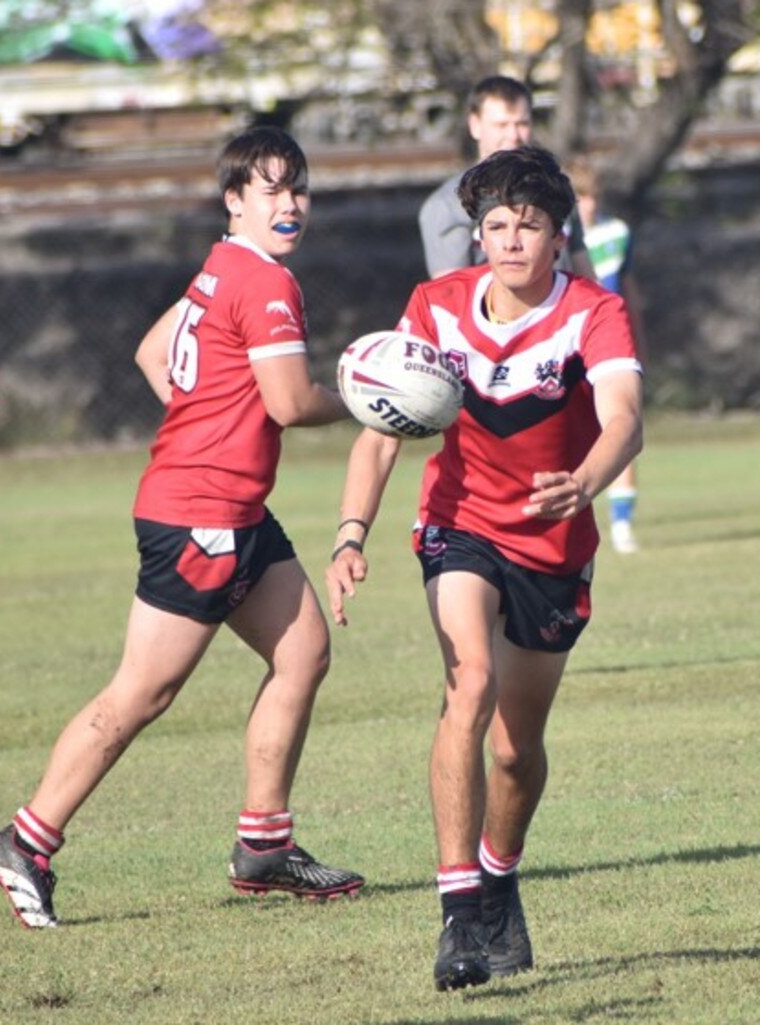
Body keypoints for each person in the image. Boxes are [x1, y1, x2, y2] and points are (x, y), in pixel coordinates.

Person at [0, 126, 364, 930]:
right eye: (270, 189)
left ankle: (264, 846)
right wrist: (366, 400)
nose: (290, 203)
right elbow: (291, 402)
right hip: (201, 517)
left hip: (234, 512)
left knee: (302, 651)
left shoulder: (224, 262)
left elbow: (152, 352)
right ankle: (25, 840)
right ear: (235, 201)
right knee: (142, 691)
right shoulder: (264, 282)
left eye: (298, 187)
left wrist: (208, 426)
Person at [326, 146, 643, 991]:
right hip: (458, 525)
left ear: (557, 231)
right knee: (467, 685)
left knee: (515, 749)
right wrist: (351, 532)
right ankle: (459, 909)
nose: (509, 241)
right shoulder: (435, 305)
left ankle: (501, 873)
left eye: (527, 226)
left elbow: (625, 419)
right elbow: (381, 427)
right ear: (477, 233)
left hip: (553, 543)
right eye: (494, 226)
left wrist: (586, 481)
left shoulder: (593, 313)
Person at [418, 74, 596, 280]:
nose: (513, 136)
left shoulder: (555, 187)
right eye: (501, 125)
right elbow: (451, 292)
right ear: (475, 125)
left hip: (565, 308)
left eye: (521, 124)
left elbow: (584, 271)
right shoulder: (448, 205)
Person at [567, 155, 648, 554]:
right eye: (580, 197)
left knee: (622, 424)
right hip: (572, 349)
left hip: (611, 348)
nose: (589, 205)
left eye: (593, 196)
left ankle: (621, 524)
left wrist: (638, 340)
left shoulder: (617, 233)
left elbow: (627, 290)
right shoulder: (555, 236)